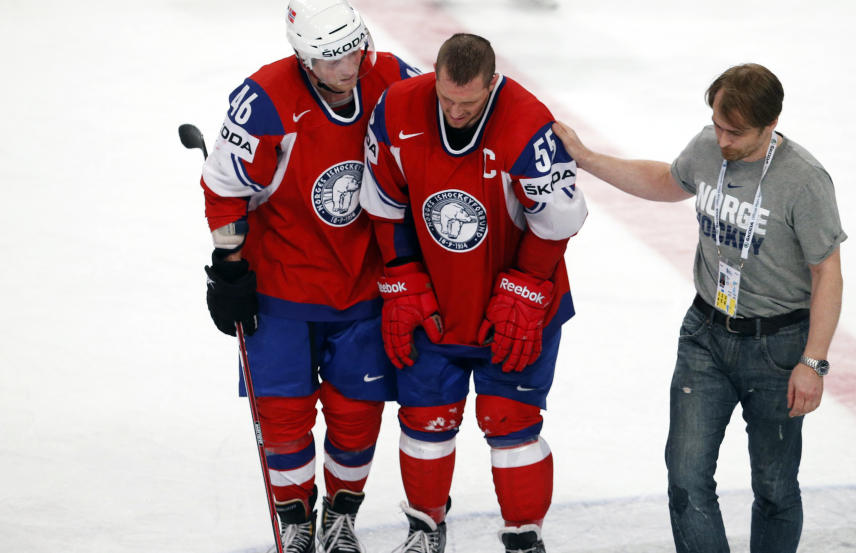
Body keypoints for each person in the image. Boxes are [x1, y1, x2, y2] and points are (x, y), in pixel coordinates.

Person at [552, 63, 845, 553]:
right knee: (686, 478)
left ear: (770, 125)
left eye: (735, 132)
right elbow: (667, 180)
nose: (722, 139)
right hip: (705, 335)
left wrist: (812, 362)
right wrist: (585, 157)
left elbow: (827, 272)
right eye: (717, 125)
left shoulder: (804, 180)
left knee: (774, 489)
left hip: (778, 347)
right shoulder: (709, 147)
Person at [198, 1, 419, 552]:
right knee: (282, 415)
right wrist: (228, 267)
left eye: (353, 50)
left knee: (357, 413)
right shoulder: (265, 99)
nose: (348, 67)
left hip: (364, 286)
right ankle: (297, 517)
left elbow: (447, 122)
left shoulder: (391, 77)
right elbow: (225, 186)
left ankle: (342, 515)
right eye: (331, 58)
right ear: (304, 57)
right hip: (280, 288)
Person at [359, 33, 587, 553]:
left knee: (511, 422)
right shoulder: (395, 109)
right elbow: (384, 202)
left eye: (469, 101)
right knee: (424, 417)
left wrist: (526, 287)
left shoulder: (529, 124)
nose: (455, 111)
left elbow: (557, 222)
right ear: (434, 76)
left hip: (515, 308)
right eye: (446, 98)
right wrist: (403, 274)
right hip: (434, 300)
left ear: (492, 82)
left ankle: (525, 538)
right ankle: (424, 529)